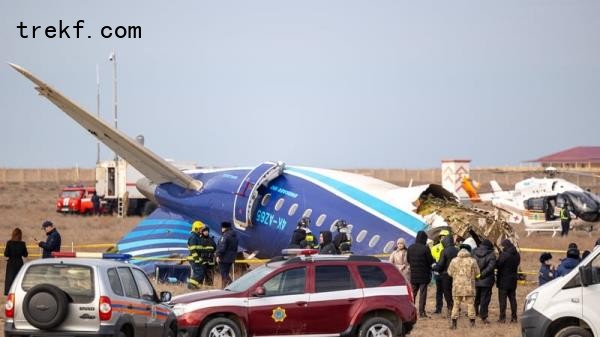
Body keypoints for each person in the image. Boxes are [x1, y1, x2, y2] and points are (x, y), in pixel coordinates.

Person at [447, 245, 480, 329]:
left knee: (456, 304)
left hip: (457, 287)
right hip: (469, 286)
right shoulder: (472, 261)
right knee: (470, 304)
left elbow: (449, 273)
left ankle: (454, 324)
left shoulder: (454, 261)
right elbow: (477, 273)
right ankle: (472, 323)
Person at [407, 230, 434, 318]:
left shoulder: (410, 248)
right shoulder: (425, 248)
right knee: (422, 294)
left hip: (414, 275)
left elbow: (408, 260)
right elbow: (430, 261)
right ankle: (421, 312)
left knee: (413, 294)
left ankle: (410, 312)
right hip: (424, 275)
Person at [496, 239, 520, 323]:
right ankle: (514, 317)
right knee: (513, 299)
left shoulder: (504, 255)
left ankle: (502, 318)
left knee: (502, 301)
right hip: (513, 280)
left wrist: (499, 256)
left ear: (505, 246)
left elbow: (498, 265)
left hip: (503, 280)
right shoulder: (517, 254)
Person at [435, 234, 459, 317]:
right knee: (455, 292)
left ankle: (450, 307)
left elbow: (441, 264)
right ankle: (456, 308)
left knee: (447, 292)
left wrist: (435, 267)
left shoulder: (444, 251)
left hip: (446, 274)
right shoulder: (457, 250)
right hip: (456, 275)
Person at [473, 239, 496, 324]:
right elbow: (491, 267)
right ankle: (483, 316)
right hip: (487, 281)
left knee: (476, 298)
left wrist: (477, 274)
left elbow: (472, 264)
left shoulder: (474, 252)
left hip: (476, 279)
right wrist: (482, 274)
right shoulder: (491, 254)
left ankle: (474, 313)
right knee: (485, 299)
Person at [4, 228, 28, 295]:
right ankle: (17, 293)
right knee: (18, 279)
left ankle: (9, 293)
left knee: (10, 279)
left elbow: (6, 254)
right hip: (19, 263)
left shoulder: (9, 243)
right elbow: (25, 254)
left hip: (11, 263)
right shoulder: (22, 243)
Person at [431, 229, 449, 315]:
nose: (442, 239)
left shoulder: (451, 248)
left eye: (445, 237)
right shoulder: (435, 248)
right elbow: (432, 259)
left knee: (449, 291)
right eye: (441, 237)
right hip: (438, 272)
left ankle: (452, 307)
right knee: (439, 291)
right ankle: (438, 308)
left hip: (448, 272)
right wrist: (435, 266)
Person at [216, 221, 238, 288]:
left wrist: (218, 255)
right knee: (226, 273)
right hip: (231, 258)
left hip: (224, 258)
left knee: (224, 274)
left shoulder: (225, 236)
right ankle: (227, 287)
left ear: (224, 228)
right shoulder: (234, 236)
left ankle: (229, 287)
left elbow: (222, 247)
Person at [187, 220, 205, 289]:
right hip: (194, 258)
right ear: (196, 229)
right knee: (199, 272)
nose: (201, 230)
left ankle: (194, 285)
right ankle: (191, 285)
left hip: (196, 258)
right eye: (200, 228)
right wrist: (197, 259)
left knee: (199, 272)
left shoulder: (197, 237)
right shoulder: (193, 237)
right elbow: (193, 250)